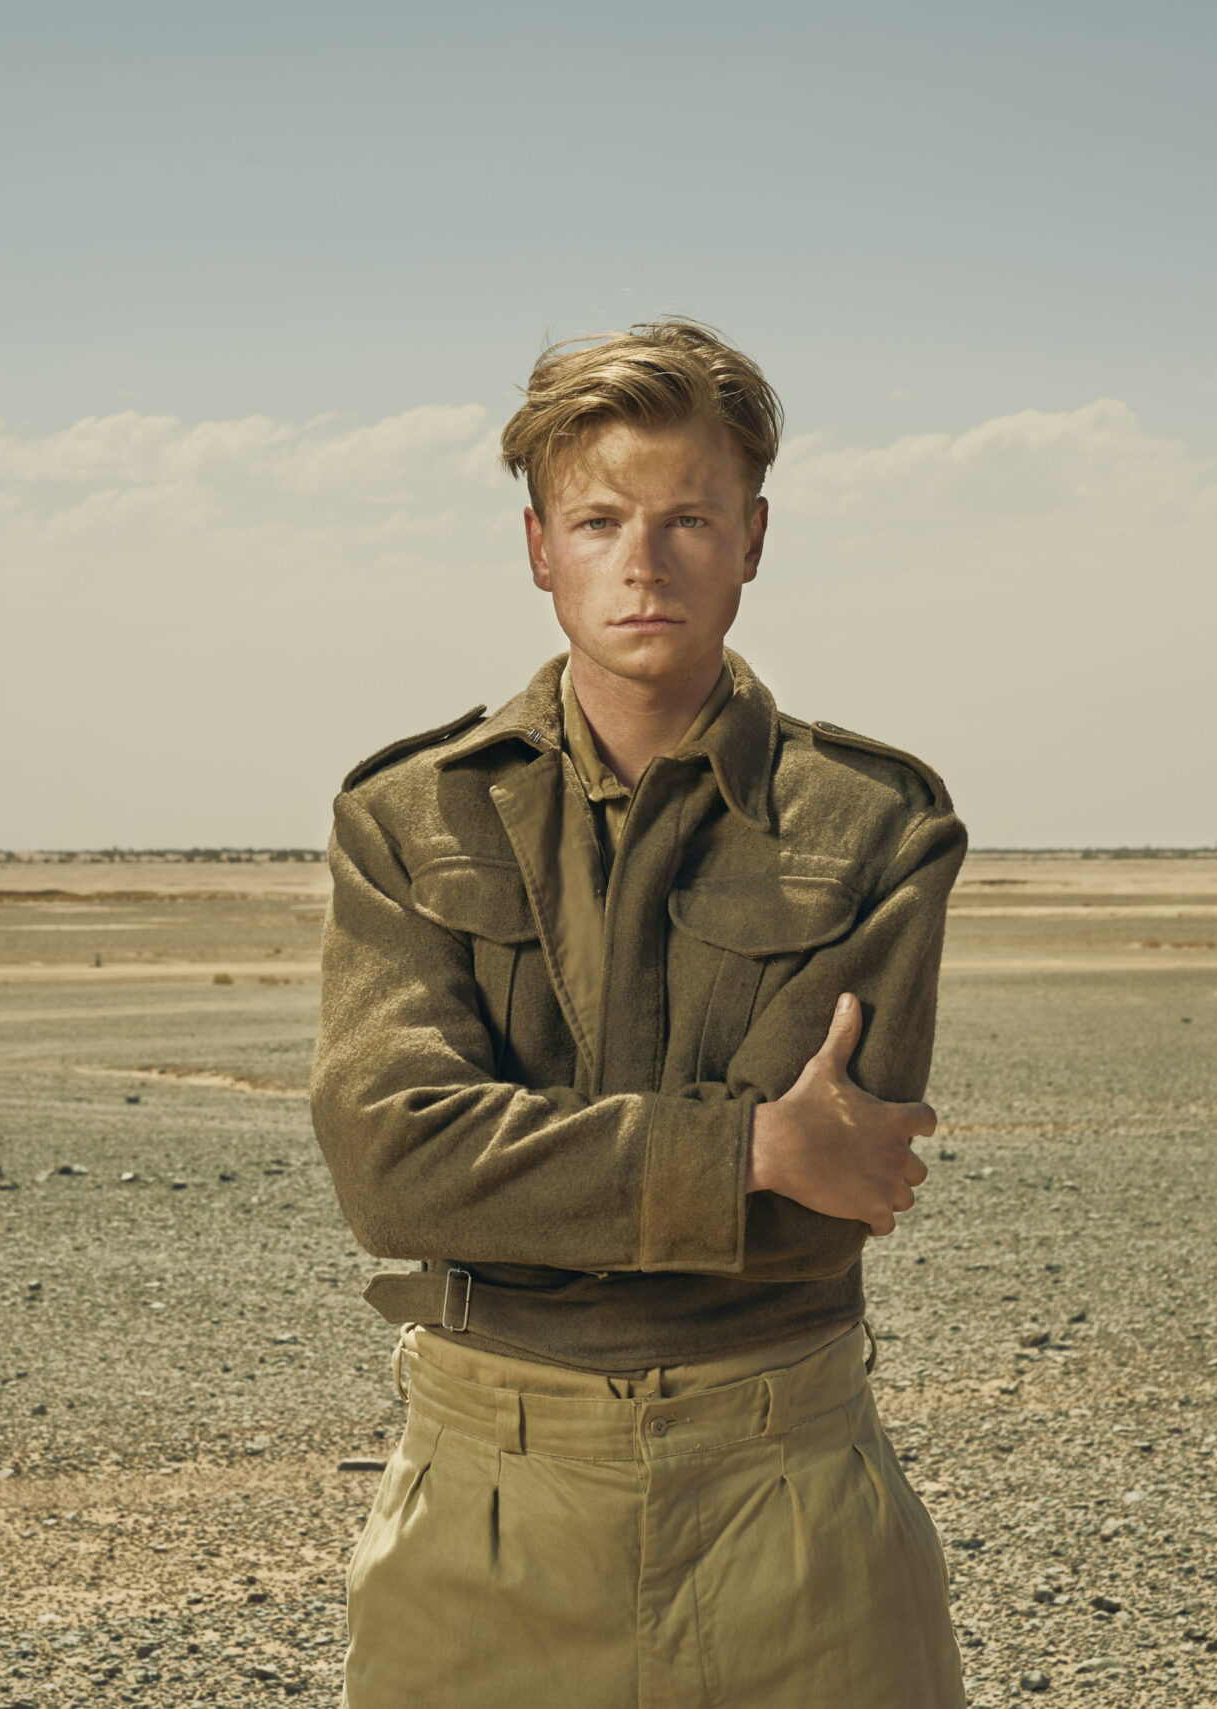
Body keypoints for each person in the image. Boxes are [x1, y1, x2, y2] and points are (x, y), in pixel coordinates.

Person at [311, 318, 968, 1708]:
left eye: (688, 518)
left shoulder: (876, 824)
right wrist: (742, 1152)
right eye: (600, 517)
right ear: (540, 547)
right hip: (483, 1504)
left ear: (755, 537)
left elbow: (821, 1205)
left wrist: (538, 1183)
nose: (645, 559)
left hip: (789, 1494)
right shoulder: (408, 813)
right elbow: (392, 1164)